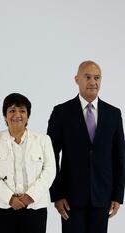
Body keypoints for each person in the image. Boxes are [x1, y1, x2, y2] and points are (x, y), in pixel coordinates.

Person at [47, 60, 125, 233]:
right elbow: (50, 155)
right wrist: (57, 194)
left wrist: (118, 195)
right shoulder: (61, 112)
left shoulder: (114, 114)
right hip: (70, 197)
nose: (93, 82)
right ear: (76, 79)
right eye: (87, 77)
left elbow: (120, 157)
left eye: (97, 78)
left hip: (102, 196)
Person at [0, 93, 56, 233]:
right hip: (3, 208)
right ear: (5, 116)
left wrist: (30, 196)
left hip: (35, 208)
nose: (17, 114)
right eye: (11, 110)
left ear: (28, 115)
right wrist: (9, 199)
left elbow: (49, 171)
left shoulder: (43, 140)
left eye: (22, 110)